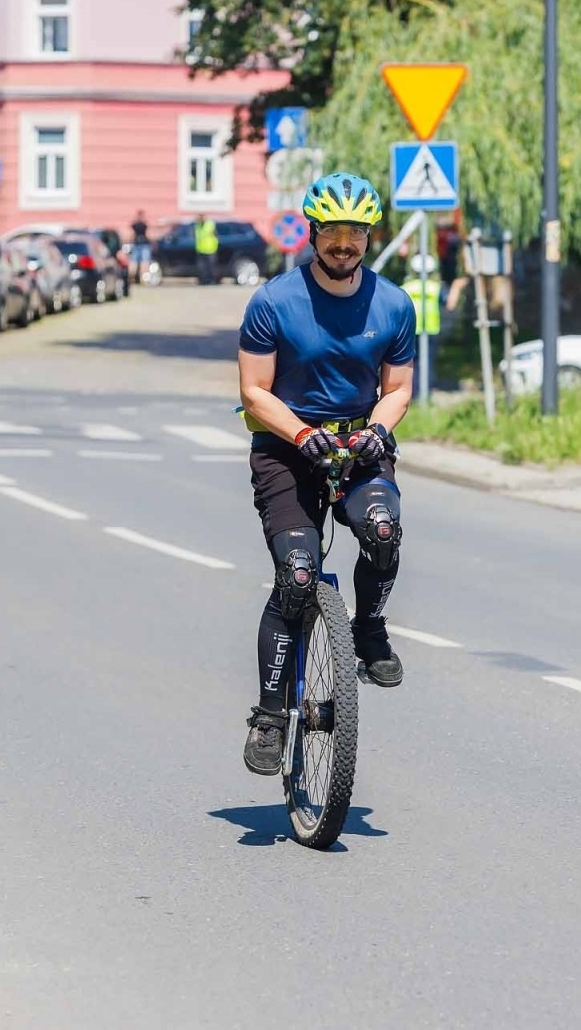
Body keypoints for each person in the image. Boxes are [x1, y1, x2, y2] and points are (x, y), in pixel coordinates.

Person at [235, 171, 417, 776]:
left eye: (356, 233)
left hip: (358, 446)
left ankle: (367, 628)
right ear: (314, 233)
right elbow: (254, 392)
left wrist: (375, 433)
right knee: (297, 573)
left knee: (384, 533)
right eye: (333, 231)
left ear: (369, 236)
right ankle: (269, 714)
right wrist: (306, 435)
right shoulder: (274, 302)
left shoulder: (393, 304)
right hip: (288, 446)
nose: (344, 244)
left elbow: (398, 391)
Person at [402, 253, 442, 392]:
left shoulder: (406, 287)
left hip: (410, 329)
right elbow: (449, 303)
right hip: (430, 328)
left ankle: (412, 390)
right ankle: (425, 390)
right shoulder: (436, 287)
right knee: (427, 361)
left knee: (409, 362)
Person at [194, 215, 219, 285]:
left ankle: (213, 281)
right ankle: (203, 281)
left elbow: (216, 235)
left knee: (212, 268)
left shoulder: (210, 224)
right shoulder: (197, 226)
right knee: (202, 268)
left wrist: (215, 245)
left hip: (210, 249)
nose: (200, 219)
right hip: (201, 250)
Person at [129, 210, 150, 283]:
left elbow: (132, 235)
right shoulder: (144, 225)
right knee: (144, 262)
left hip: (137, 244)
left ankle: (132, 278)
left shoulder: (134, 225)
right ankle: (143, 278)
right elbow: (147, 235)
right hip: (144, 244)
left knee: (134, 262)